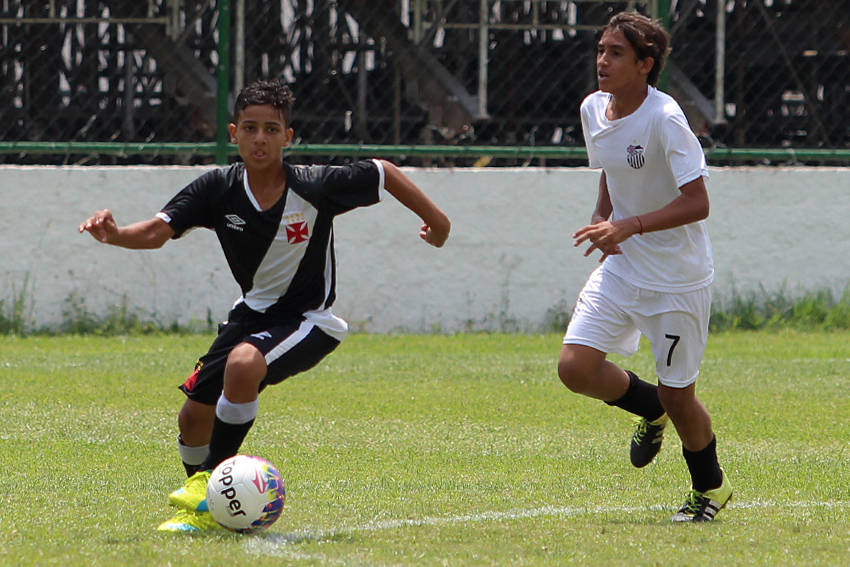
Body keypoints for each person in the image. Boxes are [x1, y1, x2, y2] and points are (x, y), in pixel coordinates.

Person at [79, 78, 451, 532]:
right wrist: (116, 234)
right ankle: (209, 509)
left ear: (287, 137)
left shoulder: (314, 186)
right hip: (250, 314)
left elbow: (383, 171)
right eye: (250, 128)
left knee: (243, 364)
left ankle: (209, 486)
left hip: (309, 320)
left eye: (271, 129)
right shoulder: (217, 189)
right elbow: (157, 232)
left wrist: (438, 222)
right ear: (233, 133)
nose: (260, 138)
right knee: (193, 418)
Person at [557, 11, 732, 522]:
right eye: (601, 50)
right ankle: (648, 406)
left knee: (681, 397)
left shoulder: (665, 118)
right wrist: (601, 218)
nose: (602, 61)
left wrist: (628, 226)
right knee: (575, 369)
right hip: (623, 269)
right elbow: (610, 171)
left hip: (677, 280)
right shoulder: (594, 108)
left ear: (644, 65)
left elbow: (698, 202)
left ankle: (711, 488)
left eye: (616, 53)